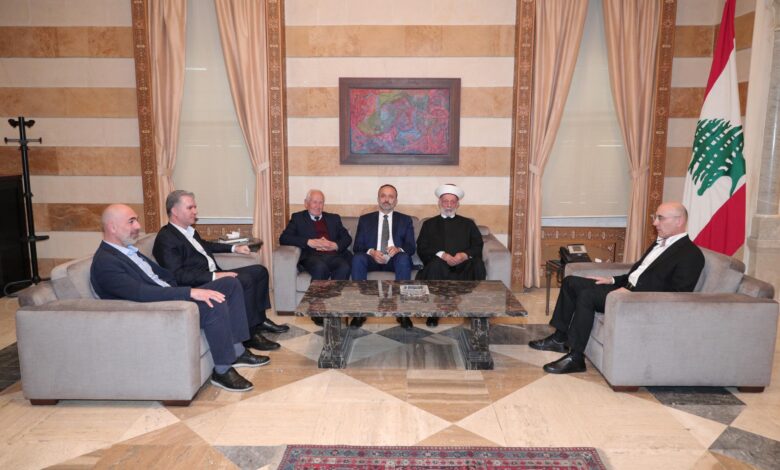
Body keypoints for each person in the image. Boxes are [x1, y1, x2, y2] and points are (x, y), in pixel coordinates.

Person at [90, 204, 269, 392]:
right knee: (213, 303)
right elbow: (141, 293)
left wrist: (187, 289)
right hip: (161, 307)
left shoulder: (127, 250)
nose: (138, 226)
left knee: (230, 284)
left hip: (171, 293)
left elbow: (163, 276)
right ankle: (222, 370)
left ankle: (237, 349)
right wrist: (189, 292)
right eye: (131, 221)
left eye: (137, 220)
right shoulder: (106, 262)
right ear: (112, 227)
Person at [529, 201, 705, 374]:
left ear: (679, 221)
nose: (655, 223)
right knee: (571, 282)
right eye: (655, 217)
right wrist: (612, 280)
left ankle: (576, 357)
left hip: (638, 301)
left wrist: (632, 293)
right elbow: (638, 275)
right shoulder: (659, 243)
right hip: (625, 290)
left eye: (660, 218)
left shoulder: (691, 254)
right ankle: (559, 339)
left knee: (587, 296)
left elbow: (677, 294)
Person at [153, 190, 288, 353]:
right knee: (245, 280)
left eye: (195, 207)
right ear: (174, 211)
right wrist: (215, 275)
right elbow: (177, 275)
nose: (195, 211)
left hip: (213, 275)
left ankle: (259, 320)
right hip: (201, 284)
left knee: (260, 271)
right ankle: (250, 335)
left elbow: (206, 245)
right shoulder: (166, 238)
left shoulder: (189, 231)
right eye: (190, 208)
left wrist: (234, 248)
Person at [415, 184, 486, 327]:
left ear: (457, 204)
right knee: (435, 264)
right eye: (445, 201)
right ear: (439, 203)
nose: (448, 205)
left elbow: (478, 245)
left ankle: (476, 310)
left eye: (452, 201)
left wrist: (464, 255)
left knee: (478, 264)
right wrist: (442, 255)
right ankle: (434, 313)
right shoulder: (429, 224)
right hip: (439, 267)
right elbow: (422, 247)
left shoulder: (468, 224)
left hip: (463, 267)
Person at [279, 189, 353, 325]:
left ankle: (333, 306)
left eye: (321, 202)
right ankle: (317, 310)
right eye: (314, 202)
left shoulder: (333, 218)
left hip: (333, 255)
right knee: (320, 267)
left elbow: (347, 238)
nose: (318, 206)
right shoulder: (298, 218)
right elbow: (284, 238)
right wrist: (308, 242)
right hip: (312, 256)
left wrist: (335, 245)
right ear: (306, 203)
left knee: (344, 267)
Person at [350, 184, 416, 329]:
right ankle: (359, 312)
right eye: (383, 196)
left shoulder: (405, 220)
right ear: (378, 199)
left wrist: (398, 249)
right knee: (358, 258)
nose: (386, 200)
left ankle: (403, 313)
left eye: (391, 196)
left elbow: (411, 247)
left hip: (395, 260)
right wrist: (372, 252)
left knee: (404, 258)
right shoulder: (365, 219)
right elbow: (357, 247)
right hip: (372, 260)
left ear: (396, 201)